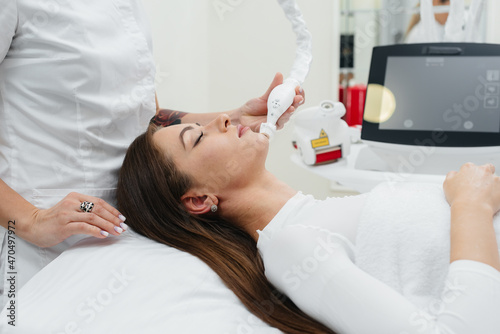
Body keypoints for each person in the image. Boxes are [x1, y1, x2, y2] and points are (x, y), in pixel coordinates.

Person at [0, 0, 304, 307]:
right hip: (41, 241)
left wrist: (234, 117)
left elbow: (145, 117)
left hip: (134, 233)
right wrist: (33, 220)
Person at [117, 115, 500, 333]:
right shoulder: (291, 247)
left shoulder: (318, 215)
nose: (223, 117)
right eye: (197, 136)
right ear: (199, 200)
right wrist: (472, 205)